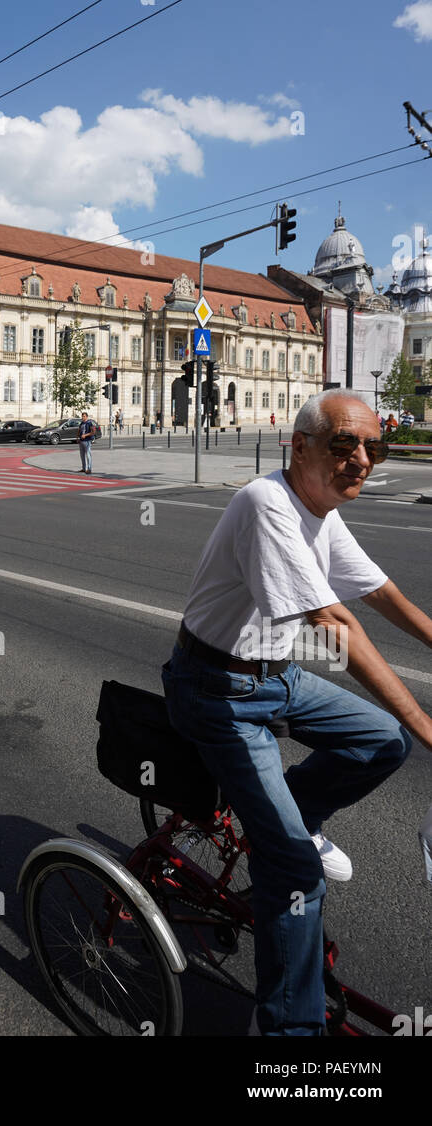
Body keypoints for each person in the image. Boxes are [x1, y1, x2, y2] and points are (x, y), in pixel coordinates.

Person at [162, 391, 432, 1036]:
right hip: (216, 690)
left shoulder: (321, 507)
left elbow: (372, 589)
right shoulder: (266, 502)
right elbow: (334, 621)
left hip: (276, 675)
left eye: (374, 447)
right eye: (345, 444)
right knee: (296, 874)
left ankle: (296, 821)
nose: (361, 460)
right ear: (301, 447)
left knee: (381, 742)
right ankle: (285, 1033)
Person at [77, 409, 95, 474]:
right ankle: (84, 468)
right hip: (81, 441)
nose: (83, 417)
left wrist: (85, 435)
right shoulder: (82, 423)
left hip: (87, 441)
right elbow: (79, 430)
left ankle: (89, 469)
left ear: (87, 417)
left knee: (88, 455)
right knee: (82, 456)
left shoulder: (89, 423)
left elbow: (93, 432)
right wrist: (77, 438)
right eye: (82, 416)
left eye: (84, 416)